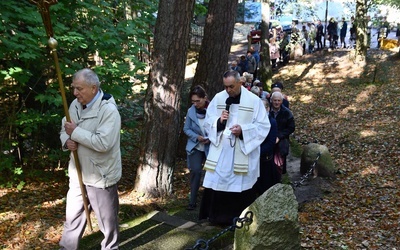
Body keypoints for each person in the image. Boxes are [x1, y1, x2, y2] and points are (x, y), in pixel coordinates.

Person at [59, 68, 121, 249]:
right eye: (73, 88)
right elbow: (65, 128)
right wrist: (67, 141)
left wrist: (75, 133)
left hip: (100, 175)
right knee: (72, 217)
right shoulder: (75, 105)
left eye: (79, 89)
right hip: (78, 171)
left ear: (93, 88)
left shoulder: (108, 110)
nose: (75, 93)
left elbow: (103, 143)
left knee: (107, 223)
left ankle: (110, 248)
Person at [199, 70, 270, 225]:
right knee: (218, 183)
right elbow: (207, 122)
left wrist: (243, 131)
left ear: (240, 83)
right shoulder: (219, 98)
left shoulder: (253, 101)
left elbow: (264, 126)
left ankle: (240, 219)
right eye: (226, 87)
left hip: (242, 151)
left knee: (240, 185)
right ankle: (216, 219)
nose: (228, 90)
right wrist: (219, 122)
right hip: (222, 151)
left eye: (231, 86)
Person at [183, 85, 210, 210]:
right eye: (193, 101)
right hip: (196, 146)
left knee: (211, 173)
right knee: (195, 171)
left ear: (204, 98)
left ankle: (209, 202)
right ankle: (192, 201)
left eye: (198, 101)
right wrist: (197, 137)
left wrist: (211, 137)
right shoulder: (191, 111)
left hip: (210, 146)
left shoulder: (213, 109)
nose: (195, 104)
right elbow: (186, 129)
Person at [255, 99, 279, 195]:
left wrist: (255, 152)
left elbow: (270, 143)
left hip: (265, 160)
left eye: (262, 108)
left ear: (268, 108)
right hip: (254, 161)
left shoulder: (272, 122)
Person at [270, 92, 295, 176]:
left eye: (279, 100)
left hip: (282, 141)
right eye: (275, 100)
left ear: (282, 101)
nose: (277, 102)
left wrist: (280, 136)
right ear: (271, 101)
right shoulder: (267, 111)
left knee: (279, 164)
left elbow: (291, 128)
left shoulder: (287, 113)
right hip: (269, 139)